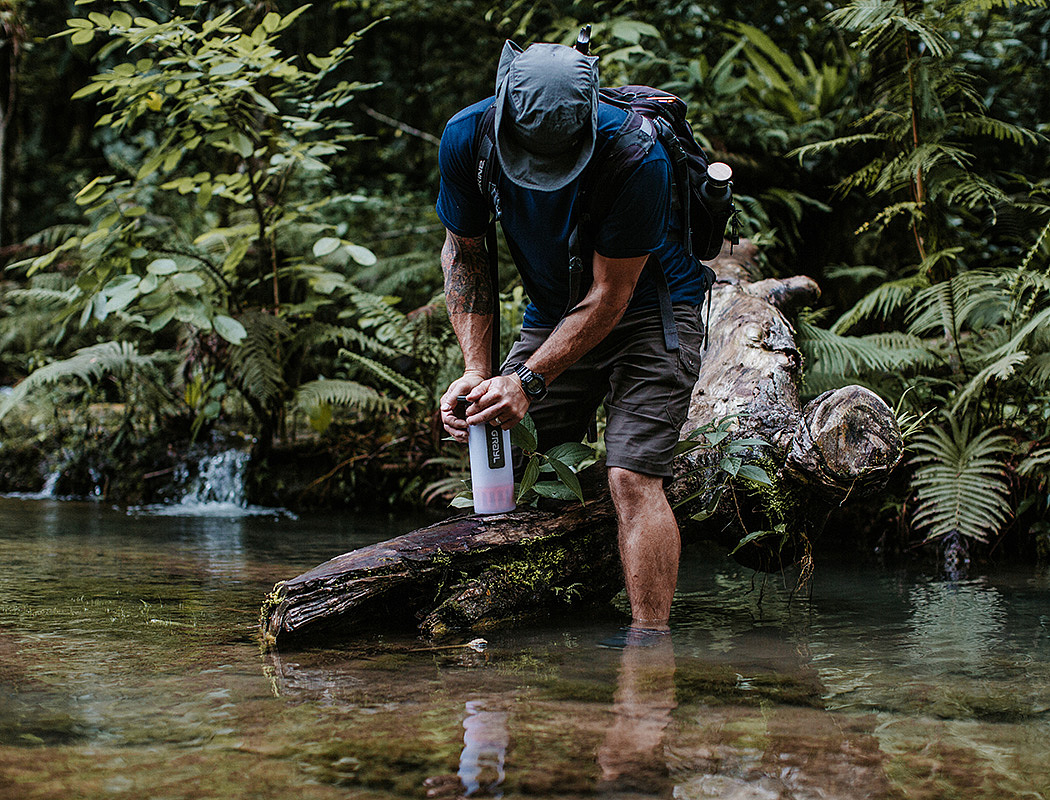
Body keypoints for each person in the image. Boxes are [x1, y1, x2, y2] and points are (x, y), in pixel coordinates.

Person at [436, 40, 707, 633]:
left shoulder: (637, 156)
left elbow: (612, 296)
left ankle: (649, 653)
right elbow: (466, 257)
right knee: (505, 457)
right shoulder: (468, 138)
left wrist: (528, 379)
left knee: (631, 474)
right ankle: (524, 629)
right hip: (554, 309)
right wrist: (480, 374)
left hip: (653, 308)